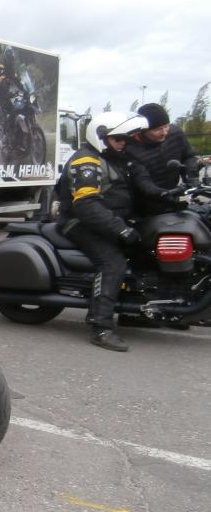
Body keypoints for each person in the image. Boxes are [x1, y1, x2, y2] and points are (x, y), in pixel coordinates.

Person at [56, 111, 173, 352]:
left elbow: (138, 184)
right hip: (79, 222)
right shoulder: (86, 161)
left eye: (125, 139)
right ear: (101, 137)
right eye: (118, 139)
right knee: (112, 263)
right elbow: (86, 206)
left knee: (146, 251)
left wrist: (166, 196)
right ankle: (101, 327)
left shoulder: (112, 157)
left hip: (105, 220)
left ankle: (134, 313)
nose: (122, 143)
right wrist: (120, 230)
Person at [126, 103, 198, 214]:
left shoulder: (175, 133)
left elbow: (188, 156)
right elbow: (142, 180)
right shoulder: (131, 148)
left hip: (172, 196)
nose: (164, 132)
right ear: (143, 130)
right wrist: (163, 194)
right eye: (158, 129)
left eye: (166, 126)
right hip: (145, 205)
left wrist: (191, 176)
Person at [0, 46, 24, 148]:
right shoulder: (2, 66)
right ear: (7, 57)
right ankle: (4, 141)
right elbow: (1, 80)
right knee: (7, 117)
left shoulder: (11, 68)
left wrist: (25, 90)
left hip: (6, 97)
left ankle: (16, 139)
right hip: (0, 98)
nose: (11, 59)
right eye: (10, 57)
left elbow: (16, 80)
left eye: (12, 57)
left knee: (15, 113)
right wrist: (10, 93)